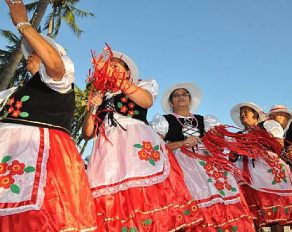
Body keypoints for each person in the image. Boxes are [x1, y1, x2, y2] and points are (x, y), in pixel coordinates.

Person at [0, 0, 97, 231]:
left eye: (38, 50)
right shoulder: (16, 92)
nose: (31, 55)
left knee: (38, 219)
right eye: (31, 52)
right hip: (10, 159)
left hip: (42, 159)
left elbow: (54, 65)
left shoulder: (60, 81)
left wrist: (23, 23)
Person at [83, 52, 202, 231]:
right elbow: (87, 133)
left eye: (116, 66)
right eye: (109, 66)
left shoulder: (140, 86)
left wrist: (116, 80)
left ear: (127, 72)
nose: (111, 68)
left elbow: (145, 101)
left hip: (134, 140)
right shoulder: (99, 95)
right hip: (107, 148)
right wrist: (91, 107)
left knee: (144, 189)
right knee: (113, 192)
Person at [150, 83, 255, 231]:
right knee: (192, 197)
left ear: (189, 99)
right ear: (171, 102)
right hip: (181, 163)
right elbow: (157, 146)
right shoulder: (164, 120)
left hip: (208, 163)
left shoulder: (204, 120)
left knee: (221, 193)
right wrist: (182, 143)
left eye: (184, 94)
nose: (181, 97)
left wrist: (215, 140)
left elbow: (219, 143)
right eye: (176, 95)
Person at [225, 102, 292, 231]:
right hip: (247, 177)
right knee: (253, 216)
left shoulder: (267, 126)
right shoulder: (238, 135)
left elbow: (278, 144)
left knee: (276, 216)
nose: (242, 114)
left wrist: (256, 145)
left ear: (255, 115)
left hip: (267, 173)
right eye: (241, 112)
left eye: (246, 111)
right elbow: (232, 157)